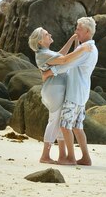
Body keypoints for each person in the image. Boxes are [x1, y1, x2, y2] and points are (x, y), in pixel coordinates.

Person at [28, 27, 92, 164]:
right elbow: (64, 60)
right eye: (46, 34)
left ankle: (62, 155)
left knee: (59, 122)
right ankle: (45, 155)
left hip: (56, 89)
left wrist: (72, 40)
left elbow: (61, 55)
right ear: (40, 41)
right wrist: (82, 49)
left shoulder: (46, 52)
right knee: (54, 122)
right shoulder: (42, 54)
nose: (50, 34)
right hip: (54, 90)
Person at [42, 17, 98, 166]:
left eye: (78, 29)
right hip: (83, 92)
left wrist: (48, 72)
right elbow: (75, 58)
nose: (76, 31)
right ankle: (86, 158)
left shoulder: (84, 49)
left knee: (65, 125)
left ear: (87, 31)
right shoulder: (92, 48)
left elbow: (66, 63)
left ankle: (71, 158)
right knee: (77, 127)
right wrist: (75, 43)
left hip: (74, 93)